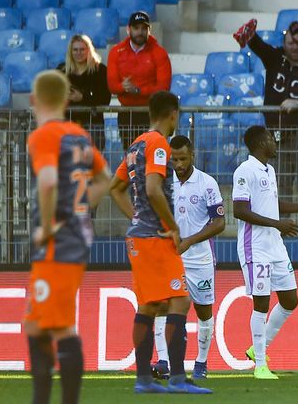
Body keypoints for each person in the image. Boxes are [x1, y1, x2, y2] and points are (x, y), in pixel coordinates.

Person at [109, 91, 211, 394]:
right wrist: (172, 226)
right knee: (180, 300)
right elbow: (154, 189)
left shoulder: (136, 144)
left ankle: (144, 379)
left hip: (141, 236)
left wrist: (136, 218)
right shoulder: (157, 144)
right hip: (155, 237)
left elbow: (115, 188)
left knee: (150, 304)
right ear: (174, 114)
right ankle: (177, 377)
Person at [25, 70, 110, 404]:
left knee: (60, 327)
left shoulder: (44, 136)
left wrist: (47, 226)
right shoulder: (78, 134)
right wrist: (81, 207)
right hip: (75, 239)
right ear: (64, 99)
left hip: (57, 245)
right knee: (35, 323)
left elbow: (47, 182)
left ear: (34, 101)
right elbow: (104, 178)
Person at [231, 125, 298, 379]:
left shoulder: (269, 170)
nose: (275, 142)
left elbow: (273, 204)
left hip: (275, 244)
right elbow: (239, 210)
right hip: (255, 246)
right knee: (261, 303)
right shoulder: (245, 171)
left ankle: (256, 348)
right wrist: (278, 224)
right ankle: (260, 365)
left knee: (290, 299)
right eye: (271, 138)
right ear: (260, 142)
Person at [234, 19, 298, 236]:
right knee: (281, 180)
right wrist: (249, 33)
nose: (294, 47)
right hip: (276, 133)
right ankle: (280, 224)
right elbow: (257, 45)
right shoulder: (275, 57)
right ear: (284, 43)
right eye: (290, 43)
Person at [149, 135, 226, 380]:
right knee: (163, 307)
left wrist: (190, 241)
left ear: (192, 154)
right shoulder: (162, 183)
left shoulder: (207, 183)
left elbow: (220, 222)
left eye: (183, 158)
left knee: (204, 312)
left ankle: (201, 363)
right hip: (171, 258)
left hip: (200, 259)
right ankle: (163, 361)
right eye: (174, 159)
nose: (179, 164)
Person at [107, 11, 172, 150]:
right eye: (136, 28)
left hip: (152, 112)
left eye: (144, 28)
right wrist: (122, 87)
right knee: (131, 154)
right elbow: (112, 85)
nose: (140, 32)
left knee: (152, 152)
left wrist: (138, 90)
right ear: (128, 29)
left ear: (149, 30)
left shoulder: (159, 53)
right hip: (127, 113)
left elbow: (163, 87)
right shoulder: (116, 52)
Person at [57, 34, 110, 151]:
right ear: (70, 51)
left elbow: (105, 98)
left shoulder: (100, 70)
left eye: (82, 49)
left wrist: (82, 97)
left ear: (89, 50)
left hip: (93, 124)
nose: (78, 53)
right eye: (75, 50)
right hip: (68, 123)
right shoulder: (61, 70)